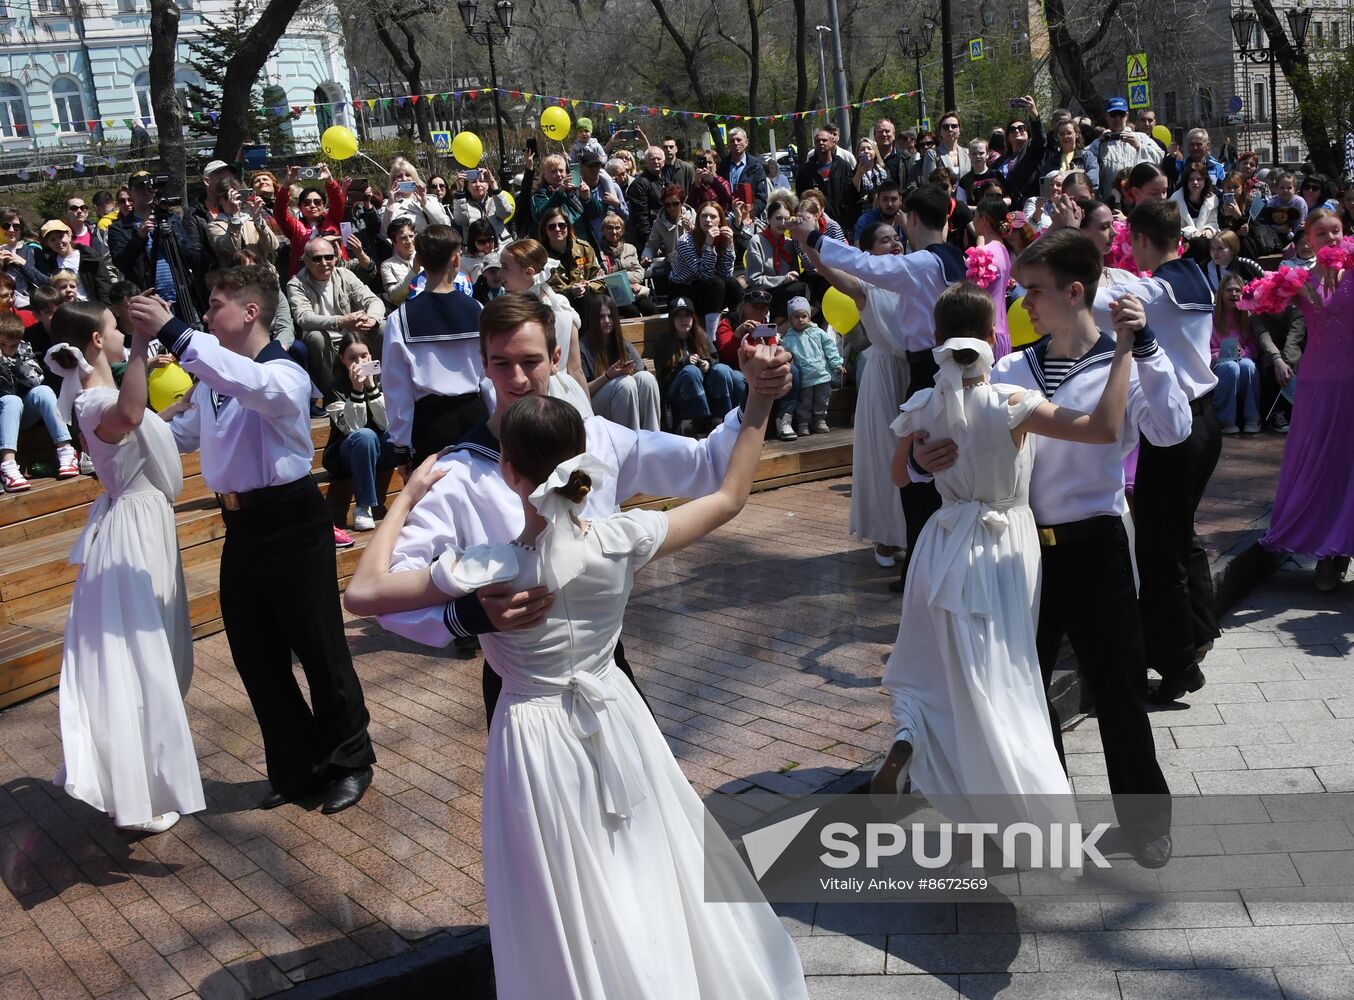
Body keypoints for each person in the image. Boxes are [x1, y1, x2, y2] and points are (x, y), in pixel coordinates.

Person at [345, 381, 807, 998]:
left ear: (509, 472)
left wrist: (407, 495)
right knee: (640, 860)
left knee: (558, 887)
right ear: (580, 461)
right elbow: (727, 498)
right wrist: (759, 403)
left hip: (533, 735)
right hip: (615, 711)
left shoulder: (491, 565)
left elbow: (364, 593)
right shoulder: (620, 540)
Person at [365, 294, 792, 723]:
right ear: (482, 363)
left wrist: (757, 395)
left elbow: (707, 466)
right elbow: (389, 589)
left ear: (555, 358)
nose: (516, 379)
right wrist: (467, 614)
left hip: (605, 667)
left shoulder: (599, 438)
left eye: (530, 361)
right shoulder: (457, 473)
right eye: (501, 363)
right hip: (522, 687)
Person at [911, 230, 1188, 867]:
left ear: (1075, 291)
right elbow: (955, 430)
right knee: (1025, 690)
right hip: (1021, 550)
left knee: (1117, 688)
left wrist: (1146, 348)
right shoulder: (1011, 367)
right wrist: (926, 460)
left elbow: (1172, 432)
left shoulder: (1124, 362)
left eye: (1033, 290)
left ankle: (1146, 825)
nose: (1023, 302)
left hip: (1096, 544)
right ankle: (1043, 823)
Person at [872, 280, 1140, 843]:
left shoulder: (921, 406)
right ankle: (1020, 808)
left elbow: (898, 477)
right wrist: (1121, 352)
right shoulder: (1013, 403)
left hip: (939, 546)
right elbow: (1104, 429)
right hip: (1003, 547)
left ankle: (910, 739)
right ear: (994, 334)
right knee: (1003, 678)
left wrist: (922, 457)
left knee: (940, 670)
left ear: (938, 339)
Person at [133, 265, 376, 814]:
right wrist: (121, 419)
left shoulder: (284, 371)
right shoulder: (215, 380)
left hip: (290, 520)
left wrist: (173, 329)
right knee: (256, 653)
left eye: (217, 302)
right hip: (241, 526)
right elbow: (180, 436)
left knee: (318, 646)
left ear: (250, 312)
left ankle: (349, 761)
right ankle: (296, 768)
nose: (208, 312)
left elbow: (258, 389)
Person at [45, 301, 204, 834]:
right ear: (95, 340)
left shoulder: (101, 395)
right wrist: (140, 348)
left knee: (158, 649)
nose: (120, 336)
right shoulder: (93, 400)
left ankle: (146, 780)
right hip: (131, 531)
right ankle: (139, 794)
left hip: (144, 521)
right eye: (114, 329)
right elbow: (128, 418)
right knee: (141, 658)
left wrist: (177, 410)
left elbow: (139, 424)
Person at [793, 185, 965, 584]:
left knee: (920, 472)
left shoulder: (920, 264)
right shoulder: (953, 258)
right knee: (925, 466)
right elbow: (856, 271)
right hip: (933, 368)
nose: (896, 236)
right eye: (885, 237)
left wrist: (813, 235)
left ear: (914, 219)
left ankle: (922, 568)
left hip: (926, 371)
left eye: (900, 227)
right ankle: (919, 554)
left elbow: (864, 266)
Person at [1093, 200, 1221, 705]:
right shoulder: (1196, 274)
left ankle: (1177, 667)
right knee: (1179, 534)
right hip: (1205, 423)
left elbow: (1097, 302)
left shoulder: (1153, 289)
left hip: (1178, 431)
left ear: (1140, 240)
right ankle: (1200, 629)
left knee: (1157, 550)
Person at [1260, 208, 1353, 592]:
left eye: (1337, 231)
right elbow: (1259, 310)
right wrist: (1270, 293)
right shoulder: (1297, 279)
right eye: (1321, 233)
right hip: (1316, 380)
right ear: (1307, 240)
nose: (1331, 238)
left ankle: (1340, 553)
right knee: (1323, 463)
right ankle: (1328, 554)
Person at [814, 221, 909, 564]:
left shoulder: (912, 277)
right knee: (886, 456)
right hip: (883, 373)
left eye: (897, 238)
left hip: (915, 371)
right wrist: (808, 240)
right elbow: (826, 269)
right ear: (869, 251)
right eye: (885, 240)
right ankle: (885, 538)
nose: (895, 244)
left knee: (914, 458)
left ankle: (910, 532)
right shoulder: (864, 285)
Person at [381, 225, 487, 465]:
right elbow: (489, 378)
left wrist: (401, 446)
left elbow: (396, 388)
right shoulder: (477, 310)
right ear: (457, 259)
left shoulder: (400, 318)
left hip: (430, 423)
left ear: (418, 260)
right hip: (476, 415)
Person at [286, 237, 386, 412]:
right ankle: (332, 396)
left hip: (352, 338)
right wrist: (340, 321)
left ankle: (376, 387)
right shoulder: (296, 284)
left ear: (336, 257)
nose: (324, 263)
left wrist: (373, 319)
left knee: (383, 327)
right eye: (317, 258)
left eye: (329, 257)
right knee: (317, 337)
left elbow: (373, 300)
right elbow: (304, 318)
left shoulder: (345, 275)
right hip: (327, 341)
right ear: (306, 260)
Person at [498, 239, 594, 419]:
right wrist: (588, 411)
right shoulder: (563, 306)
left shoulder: (518, 314)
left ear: (528, 272)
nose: (500, 273)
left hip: (532, 397)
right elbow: (576, 370)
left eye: (505, 267)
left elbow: (576, 368)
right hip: (570, 395)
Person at [323, 331, 396, 532]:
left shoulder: (382, 381)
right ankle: (363, 508)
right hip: (347, 452)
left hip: (380, 449)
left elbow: (386, 424)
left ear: (371, 356)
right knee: (365, 436)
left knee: (399, 433)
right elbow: (353, 428)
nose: (360, 361)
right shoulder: (335, 388)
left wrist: (371, 387)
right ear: (342, 360)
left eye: (364, 356)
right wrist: (356, 390)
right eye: (353, 358)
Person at [0, 311, 80, 490]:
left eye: (12, 346)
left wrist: (14, 363)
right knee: (11, 400)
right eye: (2, 345)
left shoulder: (23, 350)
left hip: (23, 413)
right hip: (4, 413)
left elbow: (36, 379)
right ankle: (8, 466)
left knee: (43, 391)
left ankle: (66, 451)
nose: (7, 350)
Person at [654, 297, 747, 435]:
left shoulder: (701, 335)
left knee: (722, 370)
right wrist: (682, 364)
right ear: (672, 320)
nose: (683, 320)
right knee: (691, 371)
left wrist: (707, 365)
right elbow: (663, 381)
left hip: (703, 391)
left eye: (687, 315)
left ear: (693, 317)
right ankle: (697, 423)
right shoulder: (663, 341)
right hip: (677, 395)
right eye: (678, 316)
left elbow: (715, 359)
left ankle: (721, 419)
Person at [579, 293, 660, 431]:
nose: (606, 320)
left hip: (624, 402)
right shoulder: (583, 347)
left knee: (647, 379)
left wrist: (628, 371)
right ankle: (631, 445)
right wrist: (608, 377)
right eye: (601, 317)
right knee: (625, 383)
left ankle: (653, 438)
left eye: (610, 316)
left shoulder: (622, 344)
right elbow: (582, 392)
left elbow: (641, 371)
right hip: (594, 409)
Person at [668, 200, 740, 332]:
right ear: (698, 219)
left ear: (720, 220)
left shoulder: (722, 238)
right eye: (703, 216)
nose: (708, 220)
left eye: (713, 217)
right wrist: (708, 245)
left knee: (732, 283)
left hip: (710, 290)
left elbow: (726, 274)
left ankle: (740, 326)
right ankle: (712, 338)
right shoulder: (685, 241)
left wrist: (729, 246)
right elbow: (703, 275)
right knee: (717, 283)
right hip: (683, 290)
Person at [780, 295, 843, 436]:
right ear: (790, 319)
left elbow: (830, 348)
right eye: (796, 316)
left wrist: (836, 363)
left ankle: (819, 420)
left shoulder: (818, 333)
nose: (801, 319)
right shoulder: (788, 339)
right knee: (805, 402)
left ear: (809, 317)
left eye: (804, 316)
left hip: (821, 375)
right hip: (805, 378)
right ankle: (803, 423)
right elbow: (786, 354)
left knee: (822, 400)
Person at [1209, 274, 1261, 435]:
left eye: (1237, 290)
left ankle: (1252, 418)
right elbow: (1203, 350)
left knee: (1248, 366)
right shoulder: (1210, 317)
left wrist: (1244, 352)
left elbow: (1254, 346)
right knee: (1231, 367)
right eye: (1229, 290)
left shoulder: (1247, 316)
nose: (1234, 294)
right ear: (1221, 293)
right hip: (1217, 362)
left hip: (1242, 359)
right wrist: (1224, 354)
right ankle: (1225, 420)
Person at [273, 165, 347, 276]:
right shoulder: (295, 228)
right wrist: (286, 185)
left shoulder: (332, 219)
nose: (312, 205)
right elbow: (279, 213)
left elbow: (338, 202)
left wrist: (330, 180)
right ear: (300, 207)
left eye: (317, 202)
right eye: (307, 203)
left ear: (323, 205)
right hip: (305, 279)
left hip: (337, 274)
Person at [1085, 98, 1164, 202]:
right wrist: (1102, 145)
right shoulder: (1098, 143)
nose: (1117, 118)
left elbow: (1160, 158)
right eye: (1113, 114)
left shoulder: (1141, 138)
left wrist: (1139, 146)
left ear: (1126, 116)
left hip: (1138, 200)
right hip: (1110, 200)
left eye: (1121, 114)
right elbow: (1087, 165)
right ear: (1107, 117)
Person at [34, 220, 113, 305]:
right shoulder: (50, 264)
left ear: (69, 235)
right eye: (52, 240)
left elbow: (103, 284)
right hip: (67, 310)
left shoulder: (90, 256)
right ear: (47, 243)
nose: (58, 242)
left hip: (92, 307)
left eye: (61, 236)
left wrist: (105, 307)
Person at [208, 176, 280, 268]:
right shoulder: (214, 226)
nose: (232, 200)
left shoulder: (250, 220)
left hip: (264, 276)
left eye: (237, 196)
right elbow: (231, 249)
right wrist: (235, 216)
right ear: (219, 200)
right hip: (237, 278)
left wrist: (257, 218)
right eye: (227, 196)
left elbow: (272, 247)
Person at [538, 207, 603, 306]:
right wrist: (569, 291)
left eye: (562, 225)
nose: (557, 229)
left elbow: (600, 278)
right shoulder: (539, 255)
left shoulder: (584, 248)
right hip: (555, 305)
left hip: (587, 300)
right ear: (545, 230)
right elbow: (538, 287)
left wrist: (589, 286)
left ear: (568, 227)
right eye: (552, 227)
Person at [596, 212, 653, 317]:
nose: (614, 231)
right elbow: (600, 280)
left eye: (617, 228)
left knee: (651, 309)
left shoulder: (630, 249)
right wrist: (627, 284)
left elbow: (639, 273)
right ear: (603, 230)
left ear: (622, 230)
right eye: (610, 228)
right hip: (614, 296)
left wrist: (623, 279)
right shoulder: (598, 253)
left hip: (635, 292)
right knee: (632, 312)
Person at [746, 191, 803, 292]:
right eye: (778, 218)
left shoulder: (790, 243)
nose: (782, 223)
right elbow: (754, 279)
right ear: (768, 219)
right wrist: (783, 279)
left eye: (786, 219)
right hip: (763, 291)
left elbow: (796, 274)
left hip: (787, 289)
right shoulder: (757, 241)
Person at [381, 161, 451, 234]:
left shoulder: (431, 199)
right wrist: (390, 204)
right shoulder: (388, 204)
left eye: (408, 175)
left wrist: (425, 204)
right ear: (394, 180)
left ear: (414, 178)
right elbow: (384, 233)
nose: (404, 179)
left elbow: (446, 225)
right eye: (399, 176)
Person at [1170, 162, 1220, 260]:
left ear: (1205, 181)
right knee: (1199, 244)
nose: (1195, 182)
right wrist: (1194, 233)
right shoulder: (1175, 199)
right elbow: (1174, 227)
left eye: (1199, 179)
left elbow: (1213, 222)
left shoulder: (1213, 200)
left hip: (1205, 241)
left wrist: (1208, 230)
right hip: (1182, 243)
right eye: (1191, 180)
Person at [451, 167, 515, 242]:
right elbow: (460, 220)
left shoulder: (496, 200)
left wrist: (494, 185)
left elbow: (505, 213)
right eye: (473, 182)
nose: (478, 184)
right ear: (468, 187)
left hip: (500, 247)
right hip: (476, 250)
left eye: (482, 181)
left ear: (488, 185)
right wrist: (459, 191)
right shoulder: (462, 204)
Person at [718, 127, 769, 219]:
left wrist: (750, 214)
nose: (736, 143)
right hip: (726, 218)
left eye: (739, 140)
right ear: (728, 144)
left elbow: (761, 198)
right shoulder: (722, 166)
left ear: (746, 142)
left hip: (748, 218)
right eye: (732, 141)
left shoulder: (756, 166)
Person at [379, 219, 419, 306]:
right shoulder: (387, 265)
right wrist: (414, 271)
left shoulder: (426, 256)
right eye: (403, 238)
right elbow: (394, 296)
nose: (409, 241)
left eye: (411, 236)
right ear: (394, 241)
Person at [922, 111, 971, 182]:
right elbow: (929, 183)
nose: (950, 129)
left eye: (954, 126)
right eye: (945, 127)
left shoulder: (968, 153)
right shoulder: (932, 154)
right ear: (940, 131)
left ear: (959, 130)